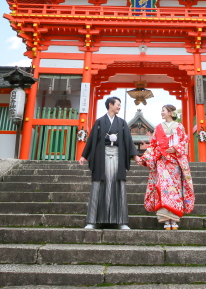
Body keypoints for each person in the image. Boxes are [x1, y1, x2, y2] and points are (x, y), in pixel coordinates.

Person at [78, 96, 140, 229]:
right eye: (117, 104)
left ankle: (121, 222)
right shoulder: (100, 122)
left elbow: (128, 141)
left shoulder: (122, 123)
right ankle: (92, 221)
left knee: (118, 186)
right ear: (110, 105)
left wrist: (135, 157)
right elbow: (92, 139)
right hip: (102, 157)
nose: (119, 107)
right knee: (98, 185)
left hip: (118, 157)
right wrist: (84, 155)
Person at [139, 104, 195, 229]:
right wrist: (145, 157)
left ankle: (174, 218)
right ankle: (164, 219)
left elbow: (184, 142)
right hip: (162, 162)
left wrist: (175, 148)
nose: (161, 113)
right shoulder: (158, 127)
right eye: (161, 111)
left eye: (163, 111)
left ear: (170, 112)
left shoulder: (179, 126)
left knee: (174, 189)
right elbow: (153, 144)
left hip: (175, 163)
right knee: (162, 189)